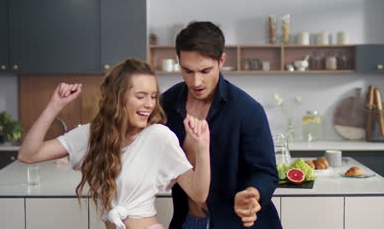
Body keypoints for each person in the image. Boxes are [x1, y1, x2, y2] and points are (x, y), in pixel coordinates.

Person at [18, 58, 211, 229]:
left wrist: (202, 149)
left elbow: (198, 194)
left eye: (153, 96)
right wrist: (54, 106)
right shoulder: (93, 134)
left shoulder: (159, 137)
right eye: (140, 96)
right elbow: (28, 155)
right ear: (118, 98)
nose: (150, 104)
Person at [161, 22, 282, 229]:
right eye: (187, 71)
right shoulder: (167, 104)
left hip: (237, 223)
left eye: (205, 70)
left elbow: (266, 172)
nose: (196, 81)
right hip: (189, 220)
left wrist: (254, 192)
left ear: (221, 61)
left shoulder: (247, 110)